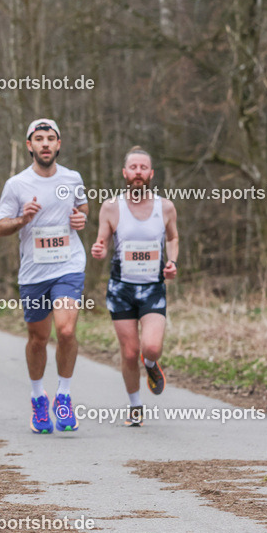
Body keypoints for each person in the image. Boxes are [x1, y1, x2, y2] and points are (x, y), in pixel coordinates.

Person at [0, 119, 88, 434]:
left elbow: (83, 208)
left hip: (68, 265)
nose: (45, 144)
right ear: (29, 146)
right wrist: (23, 219)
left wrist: (80, 217)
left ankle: (63, 395)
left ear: (59, 144)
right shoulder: (17, 184)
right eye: (39, 138)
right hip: (34, 271)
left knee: (66, 330)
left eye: (51, 138)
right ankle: (38, 398)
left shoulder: (72, 178)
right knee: (38, 338)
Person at [91, 146, 179, 427]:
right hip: (121, 289)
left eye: (143, 168)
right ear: (125, 173)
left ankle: (151, 365)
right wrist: (98, 250)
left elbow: (173, 238)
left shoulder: (164, 206)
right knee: (129, 352)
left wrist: (172, 262)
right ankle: (135, 406)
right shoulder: (110, 206)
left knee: (150, 347)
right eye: (133, 168)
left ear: (151, 173)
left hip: (152, 287)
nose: (138, 172)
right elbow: (101, 242)